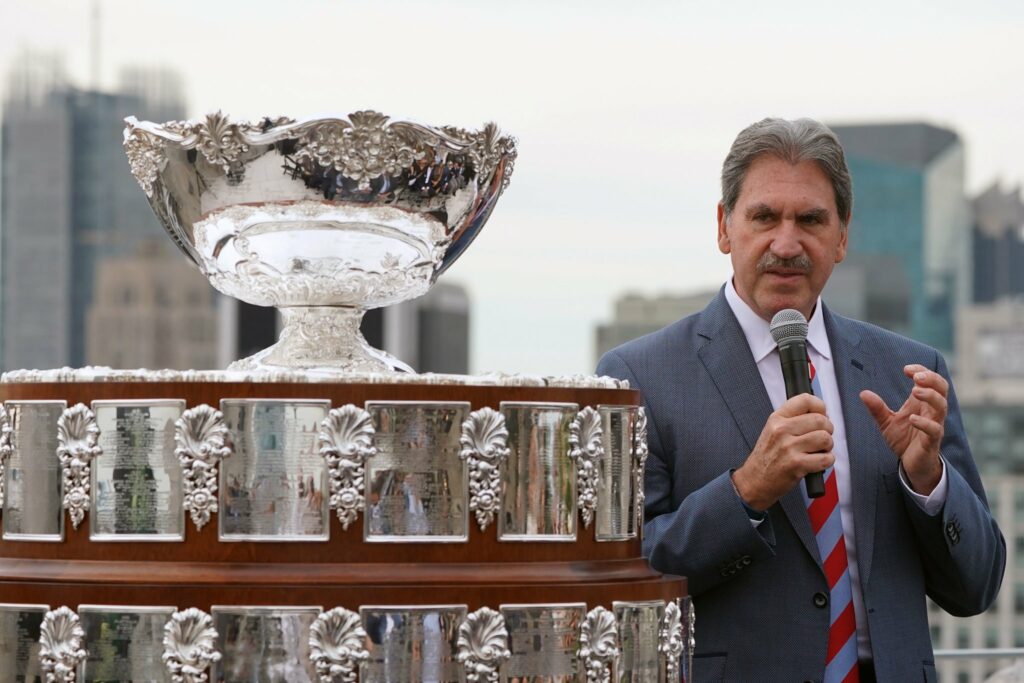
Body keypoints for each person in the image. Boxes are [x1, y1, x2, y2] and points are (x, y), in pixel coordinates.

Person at [597, 118, 1005, 682]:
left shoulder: (909, 373)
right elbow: (622, 578)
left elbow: (977, 587)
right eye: (765, 217)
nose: (786, 244)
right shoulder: (640, 376)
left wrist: (929, 482)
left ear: (841, 237)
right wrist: (746, 492)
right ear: (724, 226)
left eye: (811, 220)